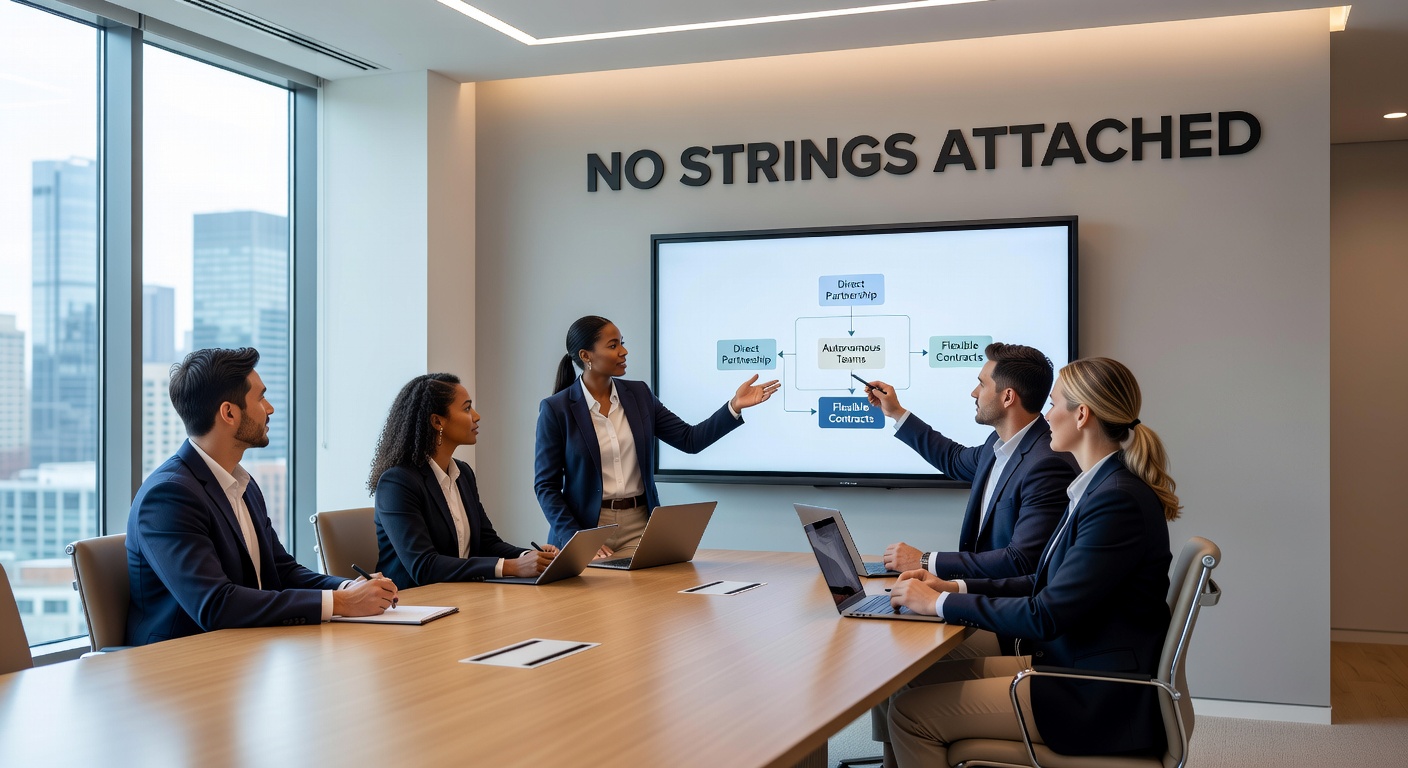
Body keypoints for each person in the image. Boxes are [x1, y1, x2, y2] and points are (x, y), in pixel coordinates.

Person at [885, 357, 1179, 766]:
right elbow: (1043, 583)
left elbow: (1046, 614)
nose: (1047, 414)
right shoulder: (1099, 488)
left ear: (1081, 415)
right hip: (1072, 665)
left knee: (909, 713)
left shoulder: (1116, 500)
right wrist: (952, 588)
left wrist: (936, 604)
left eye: (1055, 404)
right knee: (908, 682)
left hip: (1093, 694)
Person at [126, 348, 396, 646]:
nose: (270, 409)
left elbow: (282, 570)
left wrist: (348, 588)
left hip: (245, 651)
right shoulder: (168, 496)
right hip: (179, 666)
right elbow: (216, 604)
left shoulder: (242, 483)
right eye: (260, 398)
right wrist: (342, 603)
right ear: (229, 413)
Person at [865, 342, 1078, 656]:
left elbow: (1022, 562)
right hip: (983, 604)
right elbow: (953, 458)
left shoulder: (1046, 462)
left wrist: (925, 560)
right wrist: (895, 412)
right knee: (898, 650)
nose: (974, 393)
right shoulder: (1000, 443)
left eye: (982, 384)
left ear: (1008, 397)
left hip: (1014, 628)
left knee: (900, 652)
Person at [534, 315, 779, 555]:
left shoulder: (639, 395)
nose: (624, 351)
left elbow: (689, 439)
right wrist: (575, 537)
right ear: (586, 356)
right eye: (613, 345)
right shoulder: (556, 409)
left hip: (639, 525)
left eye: (622, 342)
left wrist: (734, 405)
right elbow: (546, 486)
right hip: (586, 529)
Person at [371, 373, 555, 589]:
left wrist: (532, 557)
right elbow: (423, 566)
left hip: (462, 596)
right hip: (414, 605)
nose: (476, 416)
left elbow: (487, 543)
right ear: (437, 421)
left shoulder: (463, 473)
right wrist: (511, 567)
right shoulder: (397, 483)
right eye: (467, 408)